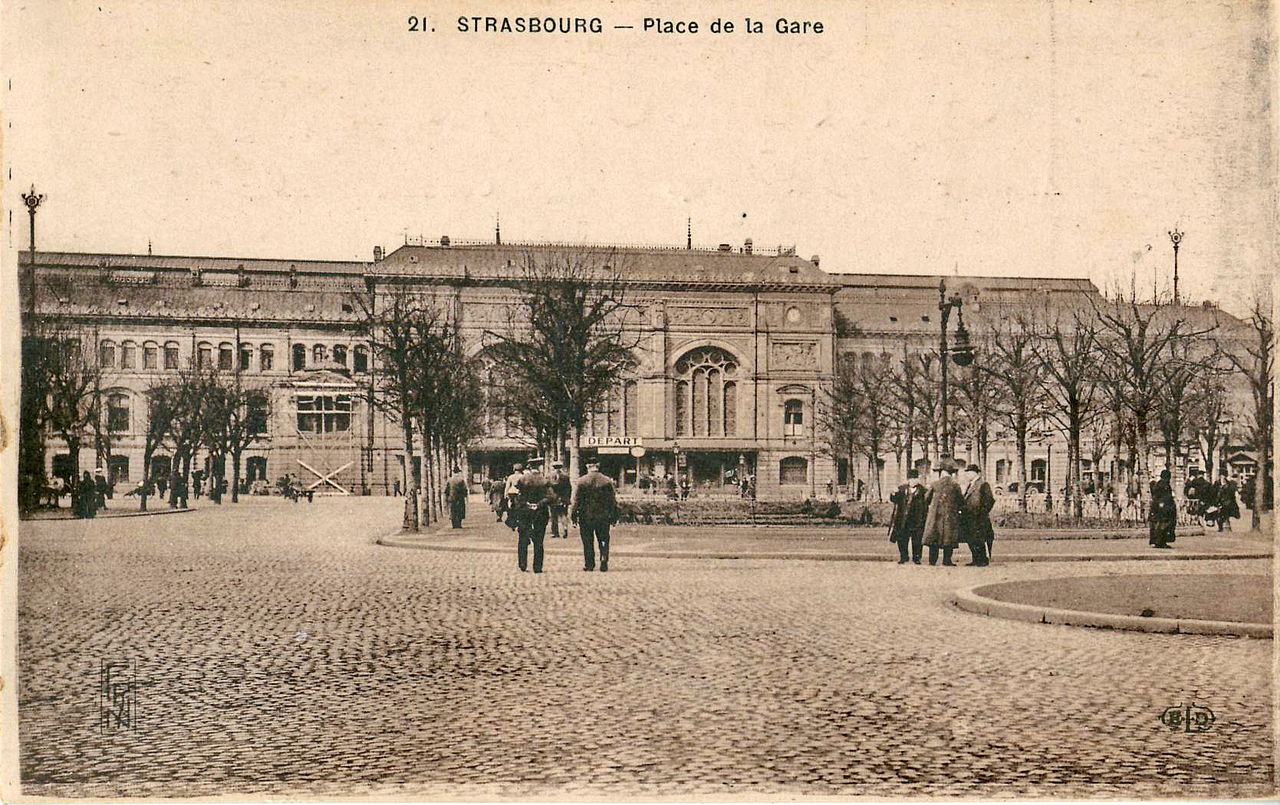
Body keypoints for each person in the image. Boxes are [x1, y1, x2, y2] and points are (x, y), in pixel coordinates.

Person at [572, 459, 619, 572]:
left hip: (586, 515)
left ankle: (589, 563)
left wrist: (573, 515)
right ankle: (603, 558)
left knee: (587, 540)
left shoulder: (582, 481)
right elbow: (612, 501)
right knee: (603, 538)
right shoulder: (607, 481)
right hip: (603, 516)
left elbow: (577, 500)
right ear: (598, 466)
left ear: (588, 467)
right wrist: (614, 516)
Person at [922, 457, 963, 566]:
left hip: (936, 516)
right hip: (950, 517)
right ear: (950, 474)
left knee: (934, 538)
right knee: (948, 539)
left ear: (942, 472)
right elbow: (961, 502)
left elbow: (926, 499)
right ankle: (947, 561)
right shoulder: (955, 485)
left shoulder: (935, 484)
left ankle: (932, 561)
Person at [514, 463, 553, 573]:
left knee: (523, 538)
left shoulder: (522, 479)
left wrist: (526, 504)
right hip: (540, 512)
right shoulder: (544, 480)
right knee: (539, 540)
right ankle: (537, 567)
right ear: (540, 468)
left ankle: (522, 563)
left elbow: (518, 496)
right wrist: (539, 504)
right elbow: (550, 497)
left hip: (525, 513)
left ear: (530, 468)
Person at [888, 470, 929, 564]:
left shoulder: (923, 490)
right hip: (903, 519)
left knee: (917, 540)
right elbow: (894, 500)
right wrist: (893, 494)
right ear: (908, 479)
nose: (914, 481)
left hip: (917, 519)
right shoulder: (902, 489)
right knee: (902, 539)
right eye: (912, 479)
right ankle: (903, 556)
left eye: (915, 478)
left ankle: (916, 558)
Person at [959, 463, 995, 566]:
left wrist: (982, 512)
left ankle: (982, 560)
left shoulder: (983, 484)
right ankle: (975, 559)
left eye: (969, 473)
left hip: (979, 518)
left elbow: (990, 500)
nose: (967, 475)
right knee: (971, 539)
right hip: (969, 517)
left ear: (975, 473)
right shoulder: (971, 485)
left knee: (979, 539)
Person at [1148, 469, 1176, 549]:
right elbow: (1163, 497)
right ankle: (1161, 542)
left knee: (1160, 525)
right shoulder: (1163, 485)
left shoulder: (1160, 484)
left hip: (1159, 508)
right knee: (1163, 525)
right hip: (1163, 509)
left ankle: (1159, 541)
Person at [548, 460, 572, 538]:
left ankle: (555, 532)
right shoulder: (566, 476)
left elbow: (549, 487)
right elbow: (569, 488)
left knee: (554, 515)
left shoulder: (550, 476)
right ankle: (565, 528)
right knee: (563, 514)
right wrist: (568, 497)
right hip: (563, 498)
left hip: (554, 498)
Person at [502, 462, 525, 530]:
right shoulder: (523, 477)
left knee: (511, 509)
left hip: (511, 494)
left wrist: (505, 495)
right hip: (520, 494)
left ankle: (512, 523)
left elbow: (507, 486)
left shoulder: (511, 477)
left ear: (514, 469)